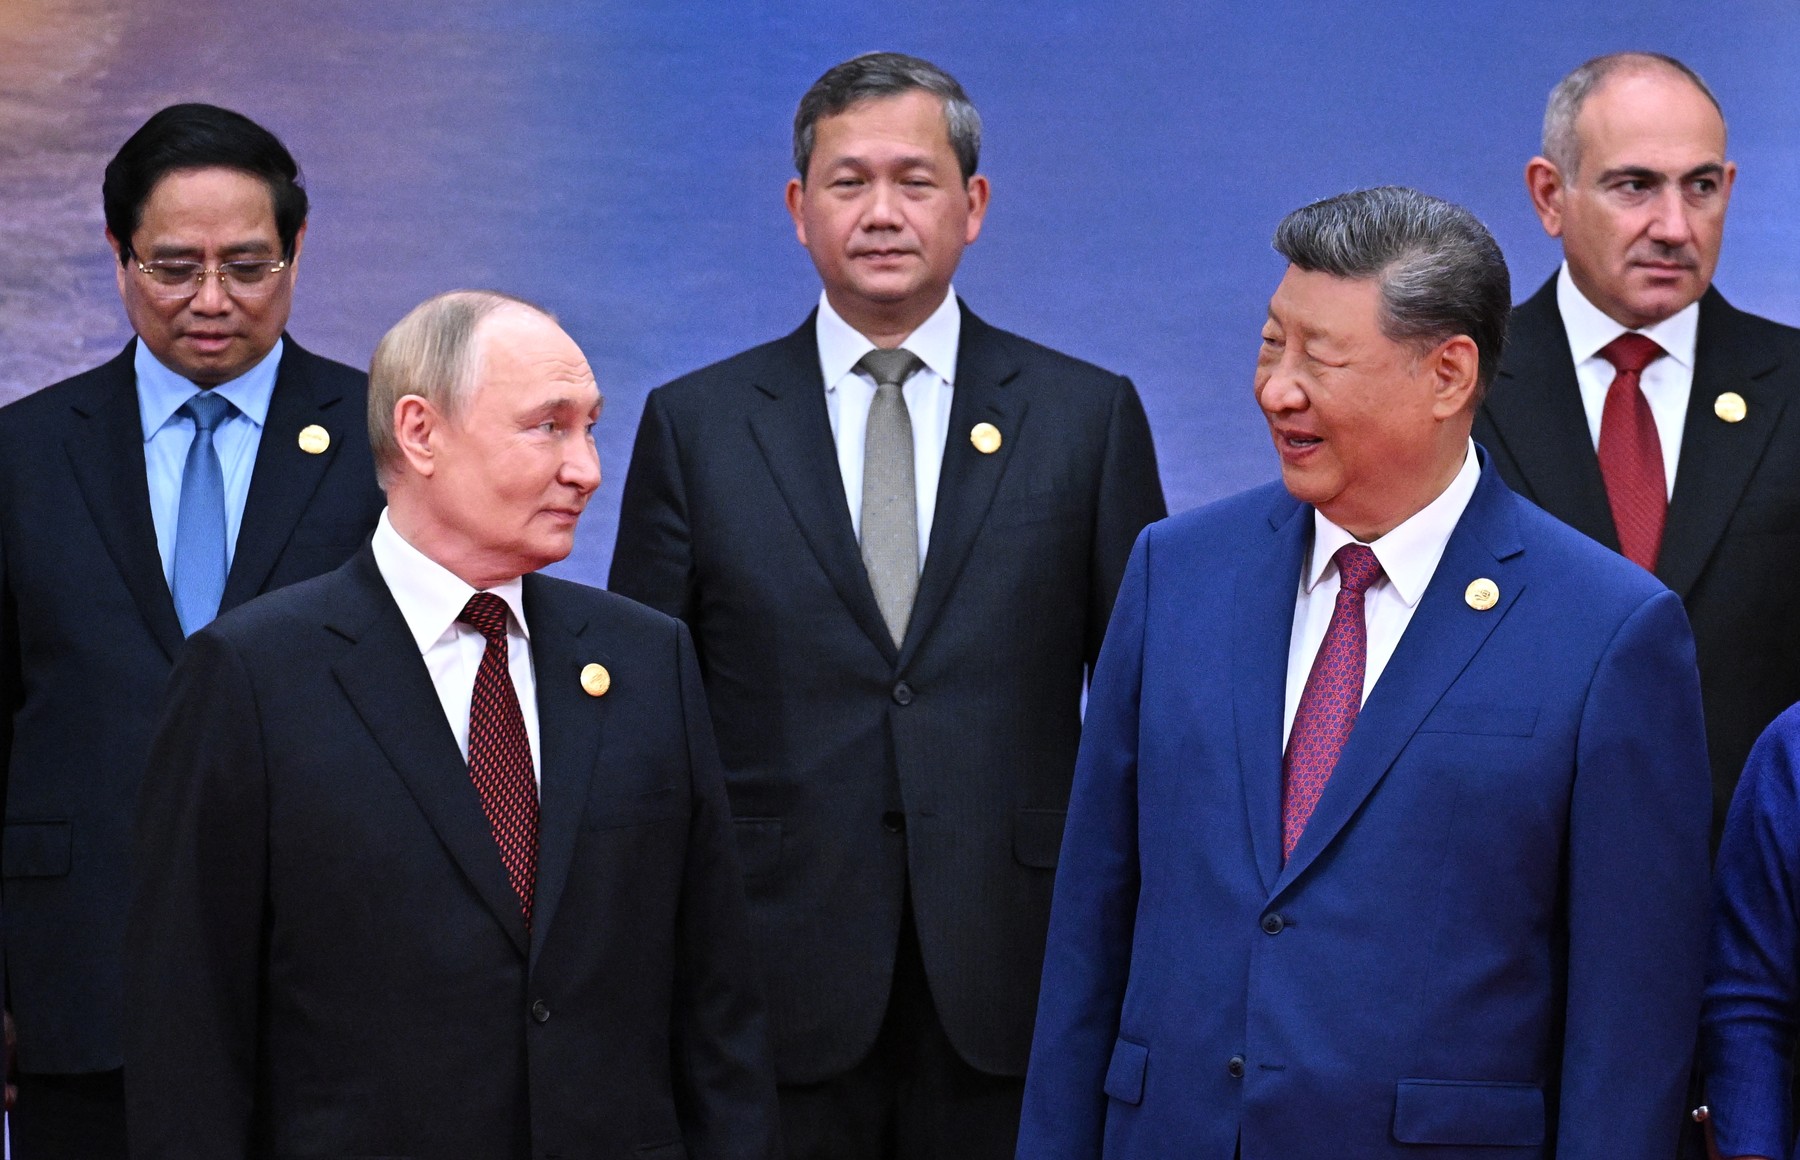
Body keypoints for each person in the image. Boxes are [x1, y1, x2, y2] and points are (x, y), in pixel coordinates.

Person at [1018, 187, 1711, 1158]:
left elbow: (1630, 1022)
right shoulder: (1175, 575)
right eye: (1272, 344)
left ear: (1448, 373)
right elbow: (1089, 935)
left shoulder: (1607, 632)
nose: (1277, 389)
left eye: (1321, 358)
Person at [609, 52, 1165, 1159]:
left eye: (914, 181)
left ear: (974, 205)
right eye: (847, 181)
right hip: (772, 971)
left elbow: (1151, 709)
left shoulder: (1086, 417)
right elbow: (642, 722)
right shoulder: (698, 424)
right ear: (796, 209)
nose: (880, 212)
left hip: (1016, 967)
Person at [124, 290, 780, 1159]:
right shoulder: (250, 677)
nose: (586, 468)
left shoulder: (646, 660)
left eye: (590, 428)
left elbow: (717, 1006)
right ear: (420, 433)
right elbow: (191, 1033)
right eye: (548, 427)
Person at [0, 102, 385, 1158]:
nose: (211, 301)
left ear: (298, 254)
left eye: (248, 265)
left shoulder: (388, 449)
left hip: (340, 999)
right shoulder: (23, 455)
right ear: (119, 257)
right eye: (174, 266)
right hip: (78, 993)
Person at [1472, 52, 1800, 845]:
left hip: (1748, 904)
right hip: (1513, 904)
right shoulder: (1460, 393)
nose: (1675, 227)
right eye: (1635, 186)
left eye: (1701, 187)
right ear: (1551, 195)